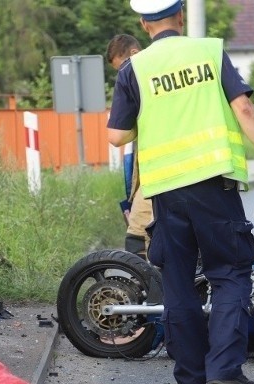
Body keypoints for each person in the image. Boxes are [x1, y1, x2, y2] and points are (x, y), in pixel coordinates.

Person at [107, 0, 254, 384]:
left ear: (142, 23)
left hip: (166, 192)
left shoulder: (133, 70)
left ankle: (190, 380)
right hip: (213, 187)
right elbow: (243, 107)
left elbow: (116, 136)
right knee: (230, 272)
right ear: (180, 16)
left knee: (178, 284)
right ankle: (225, 367)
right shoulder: (208, 52)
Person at [105, 34, 152, 259]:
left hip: (159, 175)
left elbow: (116, 137)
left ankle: (151, 292)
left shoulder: (137, 75)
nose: (122, 73)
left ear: (134, 54)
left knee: (138, 240)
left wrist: (139, 126)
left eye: (122, 66)